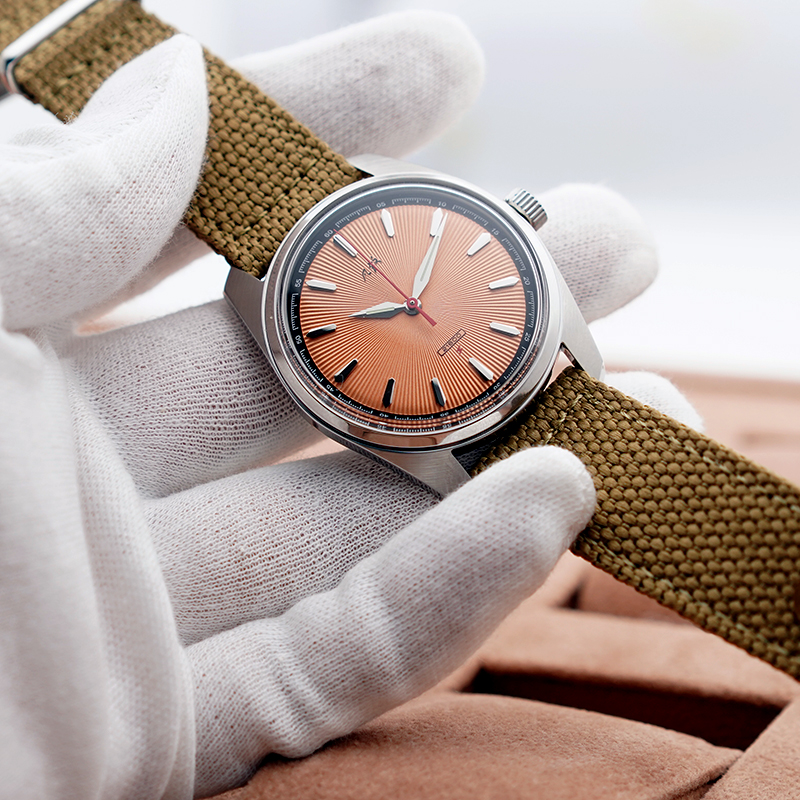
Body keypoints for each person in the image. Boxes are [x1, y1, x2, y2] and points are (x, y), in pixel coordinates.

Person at [0, 11, 699, 798]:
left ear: (515, 224)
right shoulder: (288, 310)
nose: (414, 308)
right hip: (416, 398)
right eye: (401, 308)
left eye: (416, 296)